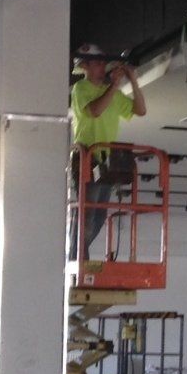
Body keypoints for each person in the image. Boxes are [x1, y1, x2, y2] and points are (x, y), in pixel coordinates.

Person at [69, 43, 146, 261]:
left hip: (105, 160)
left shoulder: (112, 93)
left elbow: (140, 110)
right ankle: (77, 258)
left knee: (100, 214)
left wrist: (133, 81)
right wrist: (114, 85)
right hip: (87, 157)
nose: (102, 67)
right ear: (84, 66)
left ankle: (78, 257)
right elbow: (94, 111)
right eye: (97, 63)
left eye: (103, 63)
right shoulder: (80, 89)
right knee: (88, 211)